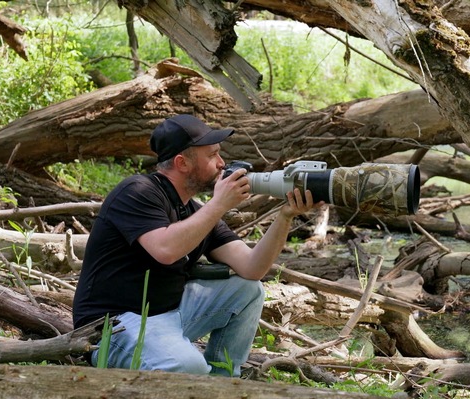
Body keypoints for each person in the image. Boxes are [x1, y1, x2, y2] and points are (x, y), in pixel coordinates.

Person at [72, 114, 320, 376]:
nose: (222, 163)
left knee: (248, 289)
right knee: (188, 366)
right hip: (113, 326)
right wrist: (219, 204)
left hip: (169, 314)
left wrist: (285, 216)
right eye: (212, 155)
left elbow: (252, 267)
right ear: (182, 162)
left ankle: (223, 382)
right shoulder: (137, 192)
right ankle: (198, 380)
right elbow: (165, 250)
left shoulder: (197, 212)